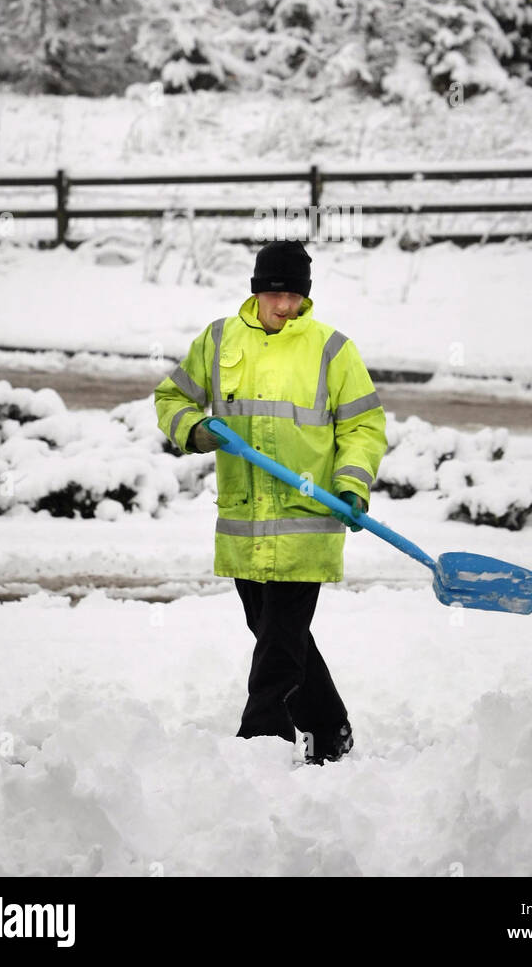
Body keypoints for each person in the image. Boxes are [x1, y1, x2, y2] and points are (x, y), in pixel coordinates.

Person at [154, 239, 387, 765]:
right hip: (243, 517)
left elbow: (363, 425)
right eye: (275, 293)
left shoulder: (331, 349)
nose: (285, 305)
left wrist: (352, 483)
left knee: (280, 645)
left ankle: (260, 742)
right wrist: (195, 428)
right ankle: (330, 727)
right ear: (257, 290)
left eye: (295, 295)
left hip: (308, 519)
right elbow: (171, 398)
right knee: (276, 633)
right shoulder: (218, 341)